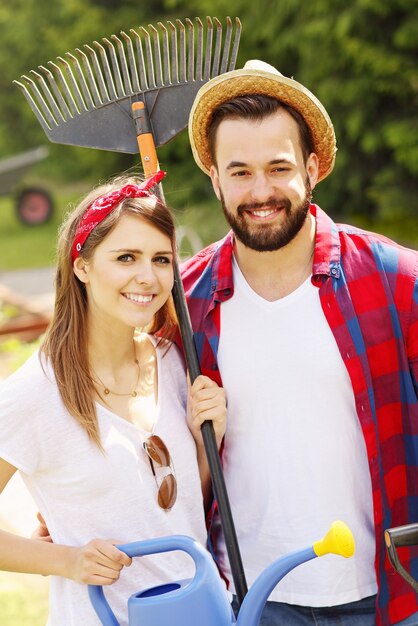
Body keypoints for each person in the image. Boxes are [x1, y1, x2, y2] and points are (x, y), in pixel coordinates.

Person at [181, 60, 418, 626]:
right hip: (253, 600)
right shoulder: (184, 301)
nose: (260, 191)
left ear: (312, 168)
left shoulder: (395, 280)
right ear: (214, 177)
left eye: (278, 167)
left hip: (389, 593)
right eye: (239, 172)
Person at [0, 171, 227, 626]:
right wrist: (68, 560)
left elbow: (176, 511)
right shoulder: (35, 394)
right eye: (126, 257)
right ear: (81, 265)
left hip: (199, 614)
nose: (148, 277)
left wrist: (207, 443)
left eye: (162, 259)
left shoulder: (174, 363)